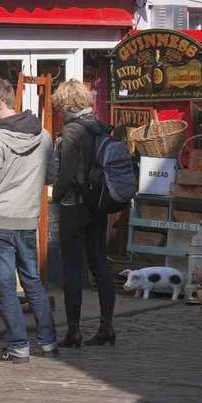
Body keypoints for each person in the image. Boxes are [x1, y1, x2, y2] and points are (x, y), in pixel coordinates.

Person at [0, 78, 58, 363]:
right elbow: (52, 175)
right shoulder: (42, 135)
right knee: (32, 281)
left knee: (6, 286)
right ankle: (47, 343)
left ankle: (18, 346)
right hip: (27, 219)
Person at [51, 79, 116, 348]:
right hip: (98, 204)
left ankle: (74, 331)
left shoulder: (72, 132)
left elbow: (65, 175)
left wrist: (55, 195)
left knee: (73, 269)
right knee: (100, 263)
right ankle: (106, 327)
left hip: (74, 206)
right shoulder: (100, 128)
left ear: (66, 104)